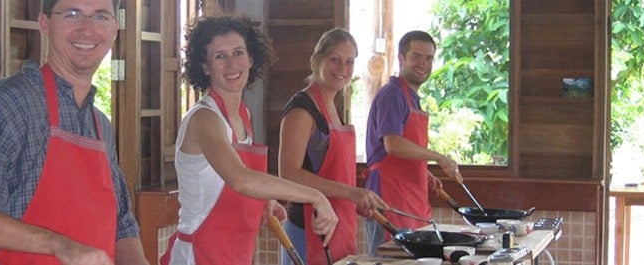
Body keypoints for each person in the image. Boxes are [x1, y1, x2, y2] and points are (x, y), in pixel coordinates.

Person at [0, 0, 149, 264]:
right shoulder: (7, 105)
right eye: (72, 14)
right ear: (44, 23)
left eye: (100, 16)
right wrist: (61, 246)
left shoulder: (101, 127)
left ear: (115, 28)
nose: (87, 30)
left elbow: (123, 225)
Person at [159, 16, 338, 265]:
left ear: (251, 58)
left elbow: (224, 182)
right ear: (205, 66)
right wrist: (315, 195)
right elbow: (240, 178)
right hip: (198, 255)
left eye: (238, 52)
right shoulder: (204, 118)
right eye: (220, 56)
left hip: (235, 254)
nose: (232, 64)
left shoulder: (243, 114)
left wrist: (264, 199)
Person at [278, 28, 388, 265]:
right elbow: (288, 173)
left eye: (349, 62)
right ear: (317, 60)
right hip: (308, 231)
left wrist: (355, 200)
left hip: (339, 226)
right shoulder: (301, 109)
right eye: (335, 60)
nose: (343, 69)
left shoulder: (334, 108)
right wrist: (351, 192)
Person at [364, 30, 464, 256]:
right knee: (390, 260)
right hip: (388, 197)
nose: (423, 63)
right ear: (401, 58)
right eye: (416, 56)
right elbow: (392, 145)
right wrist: (439, 157)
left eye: (428, 58)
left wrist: (423, 172)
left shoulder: (411, 98)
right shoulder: (392, 93)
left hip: (411, 198)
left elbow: (402, 152)